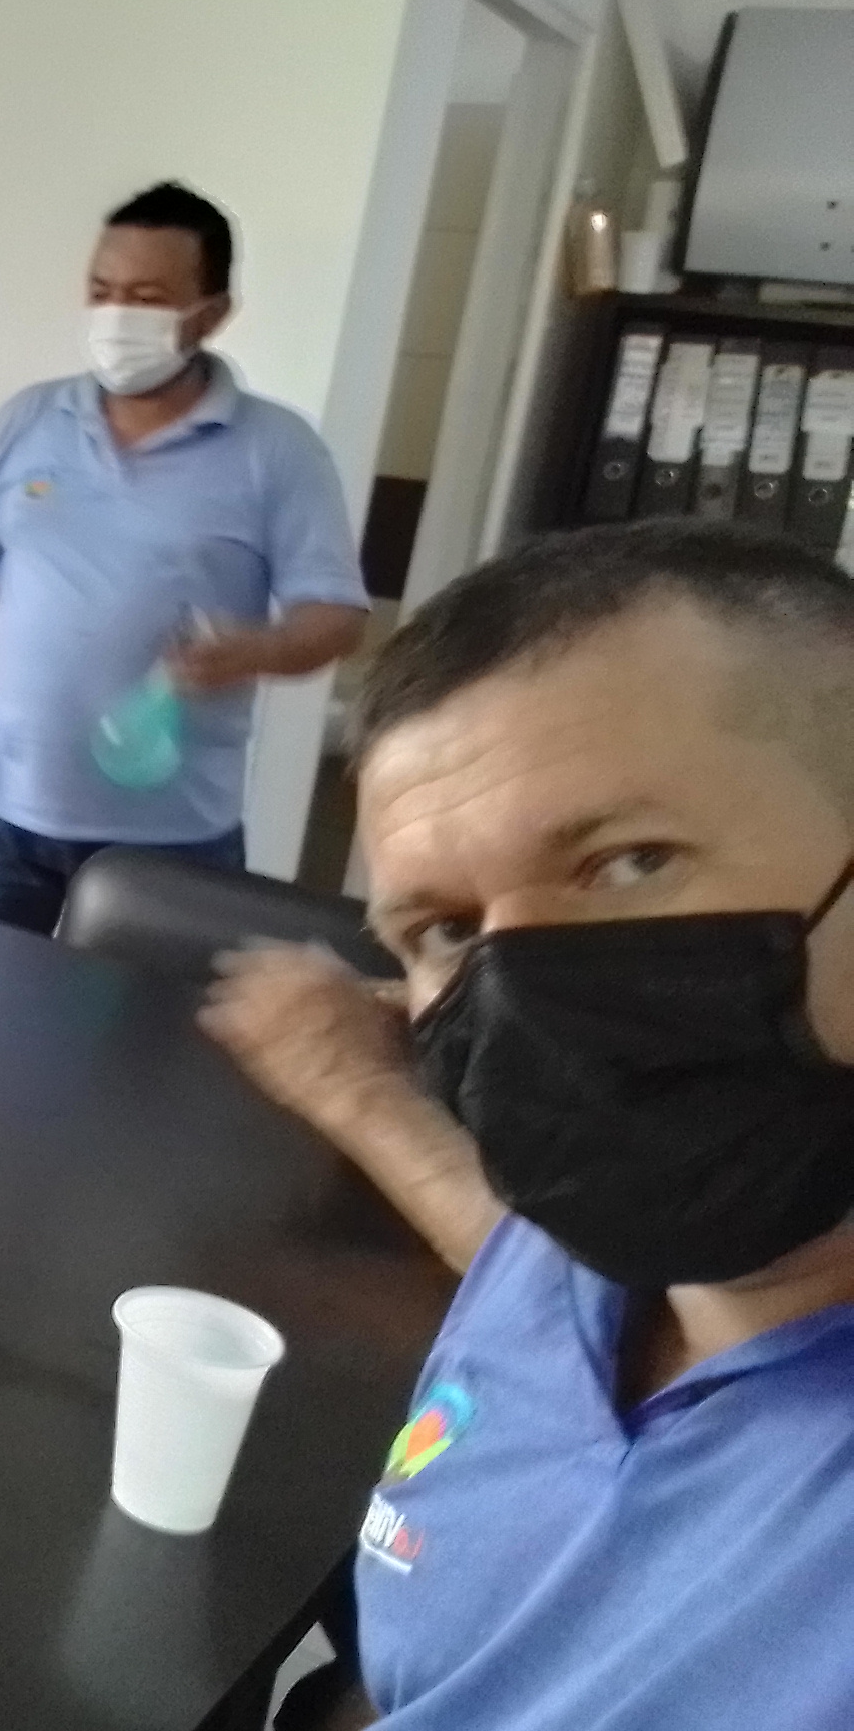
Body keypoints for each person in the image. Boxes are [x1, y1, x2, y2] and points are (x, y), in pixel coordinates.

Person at [201, 521, 854, 1730]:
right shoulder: (587, 1252)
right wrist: (358, 1091)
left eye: (630, 862)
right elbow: (519, 1263)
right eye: (446, 931)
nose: (530, 1000)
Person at [0, 181, 369, 933]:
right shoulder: (29, 419)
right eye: (102, 291)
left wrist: (262, 648)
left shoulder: (279, 450)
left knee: (138, 1015)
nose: (116, 316)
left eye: (147, 298)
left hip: (168, 838)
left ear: (211, 314)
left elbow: (337, 617)